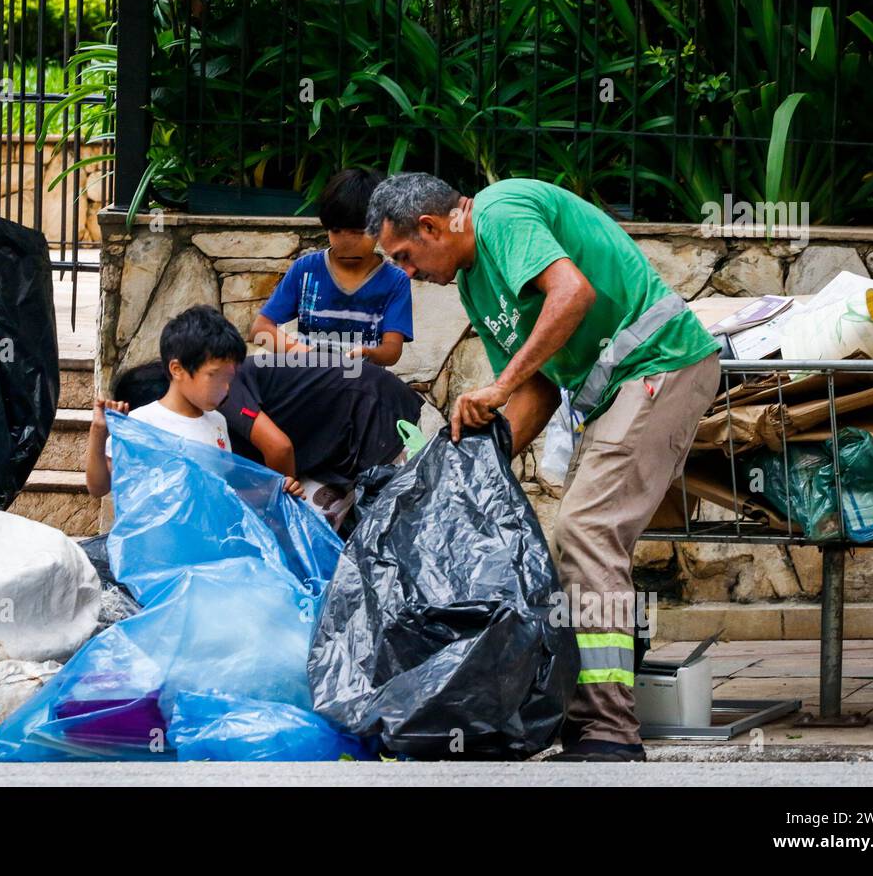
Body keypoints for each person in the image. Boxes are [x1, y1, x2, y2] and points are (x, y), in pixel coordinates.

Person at [367, 172, 721, 763]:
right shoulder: (475, 285)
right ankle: (592, 716)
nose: (407, 273)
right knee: (583, 542)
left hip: (662, 367)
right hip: (624, 392)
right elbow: (534, 390)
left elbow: (572, 295)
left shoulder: (501, 213)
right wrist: (474, 464)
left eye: (404, 256)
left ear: (431, 227)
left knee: (585, 532)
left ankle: (608, 730)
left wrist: (497, 388)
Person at [85, 305, 303, 500]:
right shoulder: (142, 422)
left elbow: (222, 493)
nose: (225, 388)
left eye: (229, 379)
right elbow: (98, 487)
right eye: (214, 375)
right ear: (177, 370)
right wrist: (98, 432)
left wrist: (275, 491)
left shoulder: (218, 422)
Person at [218, 356, 423, 530]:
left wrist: (280, 507)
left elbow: (279, 448)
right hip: (344, 424)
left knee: (306, 530)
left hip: (371, 410)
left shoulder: (221, 388)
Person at [251, 169, 413, 366]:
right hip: (309, 382)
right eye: (336, 231)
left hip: (361, 387)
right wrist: (310, 355)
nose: (346, 242)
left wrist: (368, 352)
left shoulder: (395, 281)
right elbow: (261, 329)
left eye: (357, 232)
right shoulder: (306, 270)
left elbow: (392, 351)